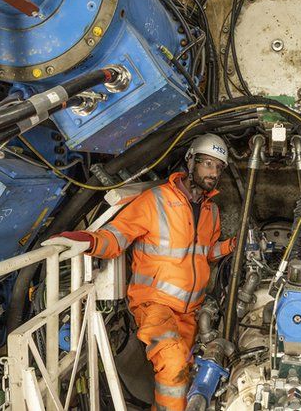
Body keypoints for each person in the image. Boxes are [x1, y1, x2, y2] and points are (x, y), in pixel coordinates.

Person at [46, 134, 235, 411]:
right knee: (173, 363)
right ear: (190, 161)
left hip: (190, 313)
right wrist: (87, 241)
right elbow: (117, 237)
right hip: (155, 306)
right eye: (207, 163)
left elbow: (205, 254)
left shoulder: (212, 211)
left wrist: (234, 245)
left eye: (219, 167)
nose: (213, 173)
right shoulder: (155, 200)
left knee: (183, 378)